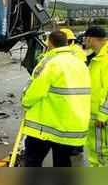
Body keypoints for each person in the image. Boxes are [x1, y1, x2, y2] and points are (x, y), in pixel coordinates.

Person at [21, 30, 91, 167]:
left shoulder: (50, 63)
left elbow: (33, 92)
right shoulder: (81, 64)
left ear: (50, 43)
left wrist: (25, 103)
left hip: (45, 128)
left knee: (33, 163)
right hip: (71, 128)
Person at [84, 26, 108, 167]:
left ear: (91, 38)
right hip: (96, 117)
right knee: (96, 152)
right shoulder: (97, 57)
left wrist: (103, 115)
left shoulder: (104, 59)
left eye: (86, 38)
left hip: (101, 118)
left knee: (101, 153)